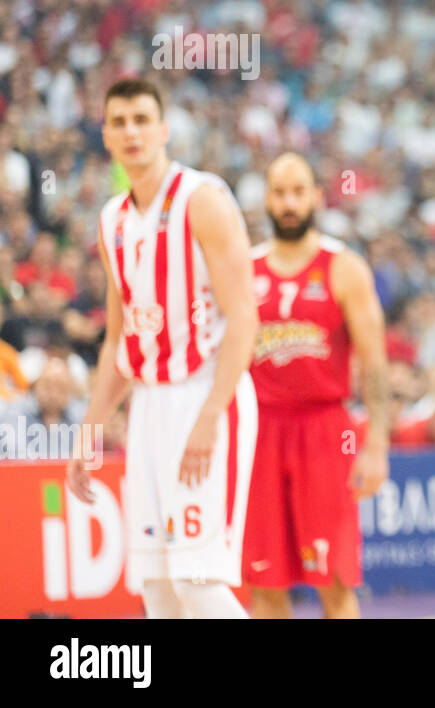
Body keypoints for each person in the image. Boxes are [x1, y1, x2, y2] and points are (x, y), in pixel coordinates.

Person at [68, 78, 258, 619]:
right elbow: (118, 339)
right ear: (105, 135)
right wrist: (89, 430)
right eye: (120, 122)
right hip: (149, 405)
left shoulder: (203, 200)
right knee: (159, 588)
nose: (132, 132)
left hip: (206, 394)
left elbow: (245, 315)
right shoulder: (111, 222)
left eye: (142, 120)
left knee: (198, 581)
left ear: (164, 129)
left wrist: (211, 414)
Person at [243, 153, 389, 619]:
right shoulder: (243, 269)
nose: (289, 202)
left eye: (298, 191)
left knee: (334, 576)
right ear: (266, 199)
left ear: (315, 197)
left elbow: (375, 361)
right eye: (280, 192)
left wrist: (377, 444)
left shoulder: (343, 266)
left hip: (326, 430)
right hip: (259, 431)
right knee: (264, 580)